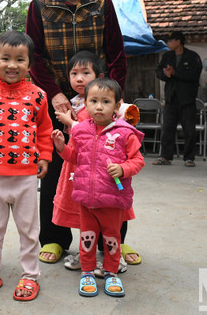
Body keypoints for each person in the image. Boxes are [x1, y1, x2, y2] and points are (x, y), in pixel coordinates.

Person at [25, 0, 127, 266]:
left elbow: (116, 55)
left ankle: (112, 241)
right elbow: (34, 55)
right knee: (56, 169)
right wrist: (54, 94)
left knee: (108, 170)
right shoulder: (39, 4)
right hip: (55, 102)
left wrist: (112, 100)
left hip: (97, 104)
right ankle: (55, 238)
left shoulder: (101, 2)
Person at [0, 31, 53, 301]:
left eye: (20, 59)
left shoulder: (39, 96)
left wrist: (44, 157)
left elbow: (44, 130)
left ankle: (30, 275)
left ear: (29, 64)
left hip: (26, 177)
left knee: (29, 230)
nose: (12, 65)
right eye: (5, 58)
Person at [52, 78, 144, 298]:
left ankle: (111, 272)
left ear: (117, 104)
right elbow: (75, 157)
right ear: (85, 103)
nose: (99, 106)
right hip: (86, 198)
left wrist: (123, 169)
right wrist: (61, 147)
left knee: (112, 237)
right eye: (93, 101)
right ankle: (87, 272)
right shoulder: (81, 130)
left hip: (112, 199)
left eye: (106, 101)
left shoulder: (125, 132)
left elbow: (138, 160)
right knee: (87, 236)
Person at [53, 51, 129, 275]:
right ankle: (86, 254)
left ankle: (112, 257)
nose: (78, 78)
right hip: (79, 167)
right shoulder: (76, 103)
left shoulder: (99, 105)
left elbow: (94, 132)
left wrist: (70, 123)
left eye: (85, 73)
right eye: (74, 73)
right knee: (83, 214)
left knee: (108, 218)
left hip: (103, 169)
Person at [153, 30, 203, 167]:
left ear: (178, 41)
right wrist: (166, 75)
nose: (168, 43)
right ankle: (165, 156)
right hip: (171, 97)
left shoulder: (192, 57)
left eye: (170, 40)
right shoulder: (167, 56)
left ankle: (189, 157)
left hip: (187, 98)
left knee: (189, 129)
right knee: (167, 128)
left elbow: (194, 76)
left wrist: (176, 73)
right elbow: (158, 72)